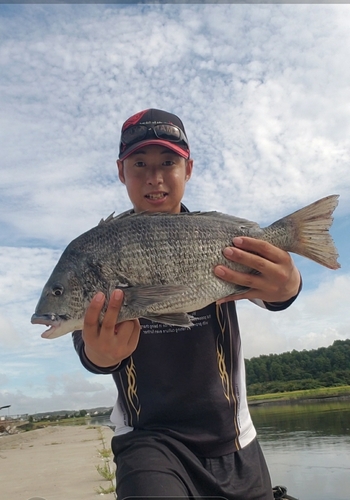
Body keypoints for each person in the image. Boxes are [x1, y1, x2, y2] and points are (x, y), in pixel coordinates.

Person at [73, 108, 301, 500]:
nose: (154, 176)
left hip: (233, 437)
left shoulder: (215, 238)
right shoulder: (102, 247)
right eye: (139, 163)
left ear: (189, 168)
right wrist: (99, 353)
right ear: (120, 171)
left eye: (168, 162)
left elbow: (273, 292)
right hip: (148, 440)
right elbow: (89, 343)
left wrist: (289, 285)